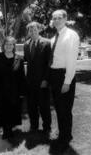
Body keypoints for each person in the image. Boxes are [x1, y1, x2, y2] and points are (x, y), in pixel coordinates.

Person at [48, 9, 80, 152]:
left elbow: (72, 61)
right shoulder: (54, 37)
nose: (56, 20)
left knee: (65, 110)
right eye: (54, 18)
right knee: (59, 108)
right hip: (54, 76)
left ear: (65, 19)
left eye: (59, 18)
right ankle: (63, 133)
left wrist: (67, 82)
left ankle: (65, 139)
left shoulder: (71, 35)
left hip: (64, 76)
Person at [0, 36, 25, 139]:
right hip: (1, 90)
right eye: (7, 44)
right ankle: (5, 131)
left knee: (13, 110)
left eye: (11, 44)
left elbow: (21, 76)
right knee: (2, 110)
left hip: (14, 90)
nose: (9, 46)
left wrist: (22, 92)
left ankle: (10, 130)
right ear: (3, 46)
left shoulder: (19, 58)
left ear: (14, 46)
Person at [23, 21, 51, 135]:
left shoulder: (47, 43)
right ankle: (34, 126)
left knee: (44, 106)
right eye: (30, 30)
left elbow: (50, 63)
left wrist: (46, 79)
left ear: (39, 30)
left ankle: (46, 127)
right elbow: (26, 61)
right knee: (31, 106)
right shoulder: (26, 44)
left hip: (42, 81)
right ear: (28, 32)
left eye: (35, 29)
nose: (33, 32)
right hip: (30, 82)